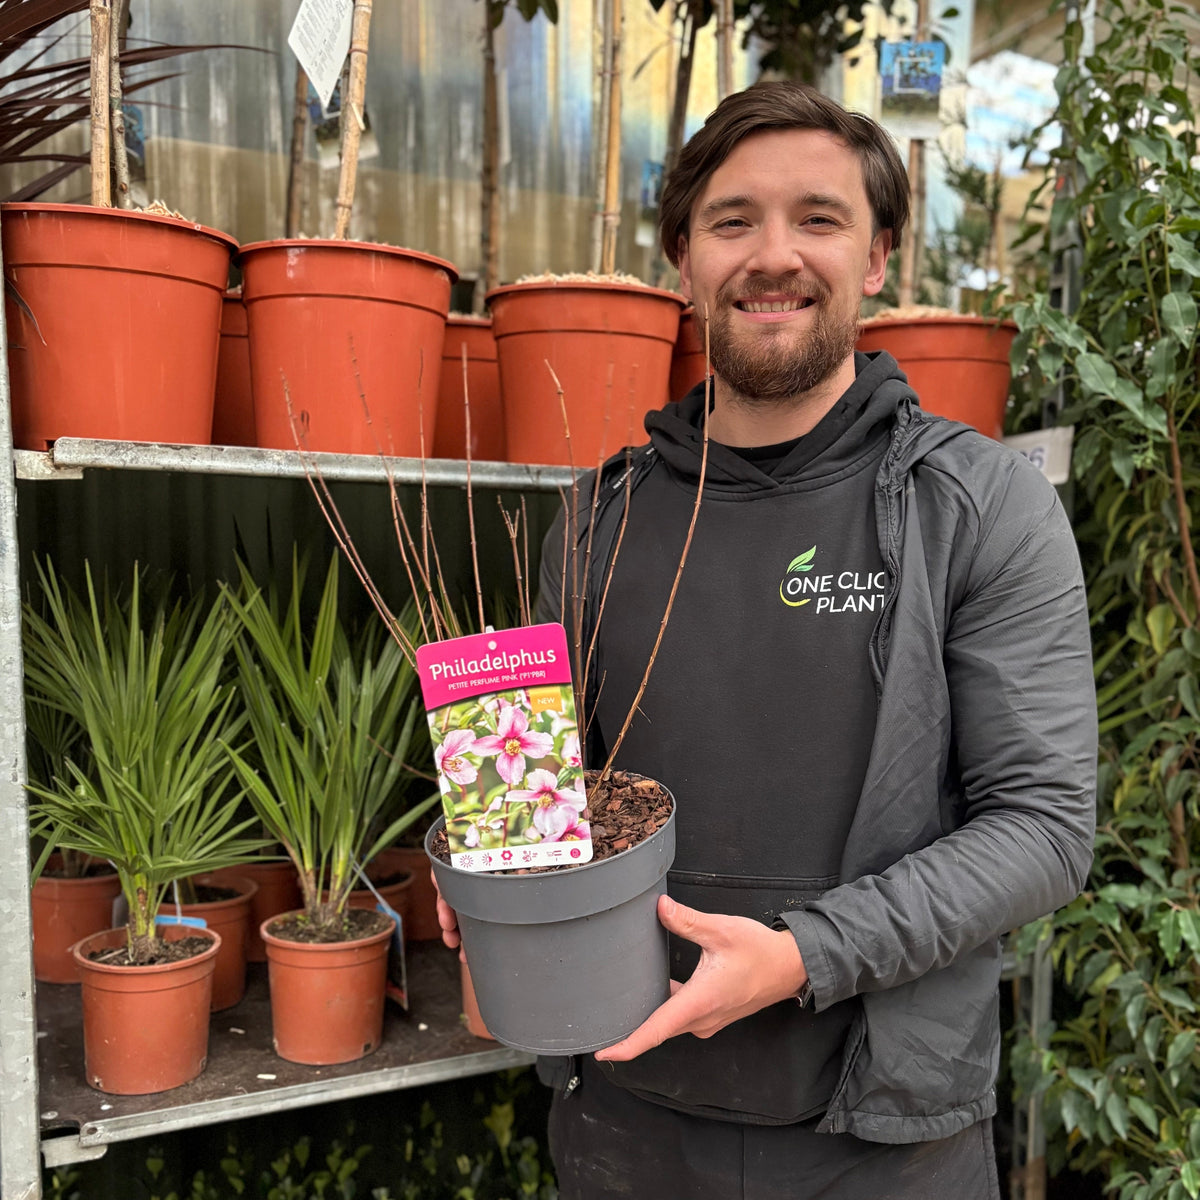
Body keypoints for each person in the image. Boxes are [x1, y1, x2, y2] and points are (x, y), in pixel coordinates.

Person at [437, 80, 1097, 1199]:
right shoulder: (598, 518)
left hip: (884, 1141)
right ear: (684, 261)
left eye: (818, 219)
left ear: (878, 258)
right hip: (627, 1121)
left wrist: (800, 957)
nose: (773, 255)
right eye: (733, 221)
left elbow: (1043, 826)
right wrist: (493, 871)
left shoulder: (979, 507)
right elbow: (553, 784)